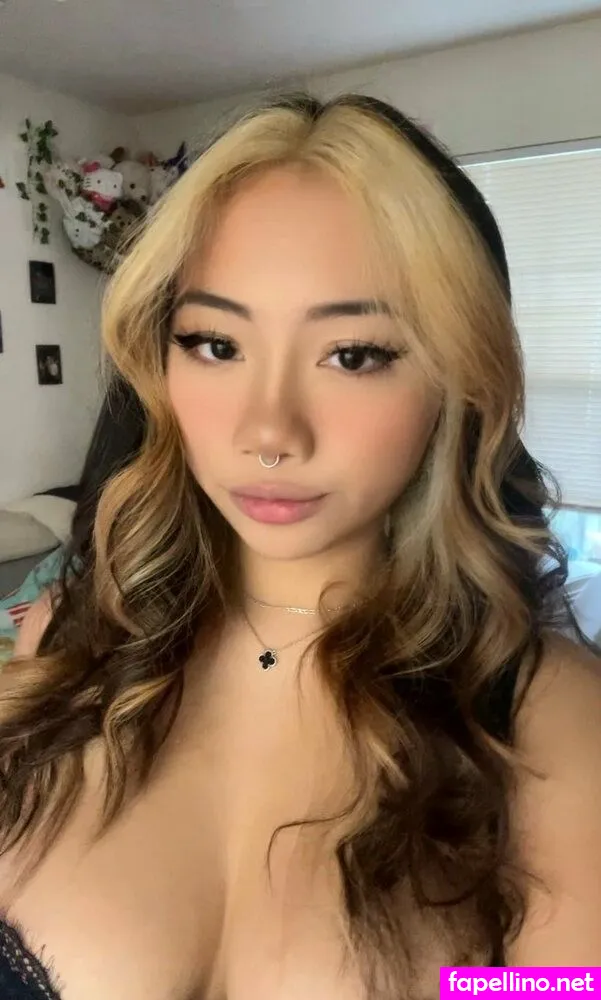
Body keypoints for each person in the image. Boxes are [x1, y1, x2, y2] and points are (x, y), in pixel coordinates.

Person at [1, 92, 600, 1000]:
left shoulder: (550, 722)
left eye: (353, 354)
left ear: (457, 377)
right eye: (214, 343)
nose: (268, 431)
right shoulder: (69, 642)